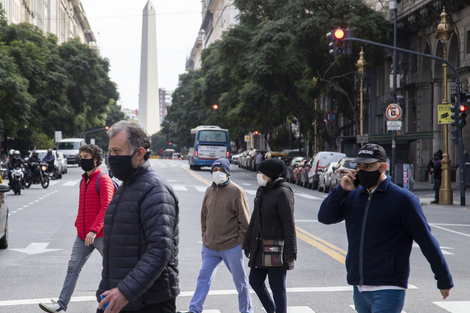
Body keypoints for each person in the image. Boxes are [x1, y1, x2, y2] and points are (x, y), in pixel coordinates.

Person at [318, 143, 453, 313]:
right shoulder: (354, 196)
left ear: (383, 167)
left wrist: (443, 279)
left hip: (388, 287)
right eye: (359, 166)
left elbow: (426, 240)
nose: (362, 170)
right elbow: (324, 217)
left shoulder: (403, 199)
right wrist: (340, 190)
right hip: (359, 287)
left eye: (368, 166)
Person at [97, 120, 179, 313]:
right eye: (110, 152)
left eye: (117, 151)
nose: (111, 158)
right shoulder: (126, 187)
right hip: (120, 300)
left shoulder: (155, 190)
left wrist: (124, 291)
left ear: (139, 153)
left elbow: (159, 250)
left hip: (148, 303)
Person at [39, 144, 115, 313]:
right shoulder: (84, 180)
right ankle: (61, 305)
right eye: (81, 156)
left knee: (113, 270)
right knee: (73, 267)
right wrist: (80, 226)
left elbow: (107, 207)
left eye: (86, 156)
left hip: (101, 235)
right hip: (83, 235)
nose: (82, 159)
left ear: (95, 159)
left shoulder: (103, 179)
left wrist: (94, 230)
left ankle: (119, 305)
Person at [180, 158, 253, 313]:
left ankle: (247, 310)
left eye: (221, 170)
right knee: (203, 279)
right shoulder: (209, 191)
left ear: (227, 173)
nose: (217, 173)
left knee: (240, 282)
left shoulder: (237, 192)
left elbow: (245, 222)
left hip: (230, 246)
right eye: (215, 170)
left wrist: (239, 244)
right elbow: (204, 216)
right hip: (210, 247)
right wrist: (205, 236)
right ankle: (194, 309)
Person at [243, 158, 296, 313]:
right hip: (260, 245)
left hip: (276, 248)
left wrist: (290, 250)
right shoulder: (262, 190)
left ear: (270, 174)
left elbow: (288, 223)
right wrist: (247, 244)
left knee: (277, 287)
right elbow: (254, 220)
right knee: (255, 281)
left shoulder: (283, 192)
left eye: (261, 172)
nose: (258, 175)